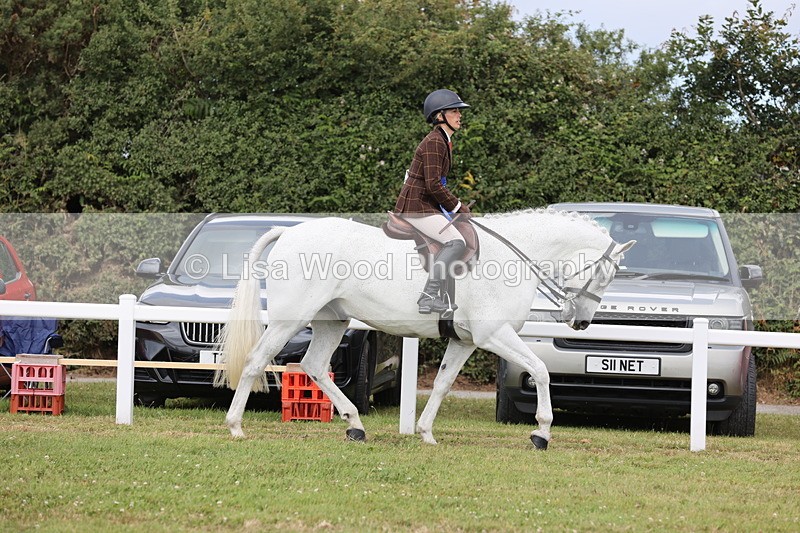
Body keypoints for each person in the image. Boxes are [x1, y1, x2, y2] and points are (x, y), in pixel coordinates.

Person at [394, 89, 472, 316]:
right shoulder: (434, 142)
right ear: (440, 116)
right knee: (456, 242)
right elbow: (433, 185)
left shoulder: (443, 140)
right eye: (454, 111)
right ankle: (429, 296)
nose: (459, 115)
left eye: (459, 111)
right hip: (416, 207)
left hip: (425, 204)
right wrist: (458, 206)